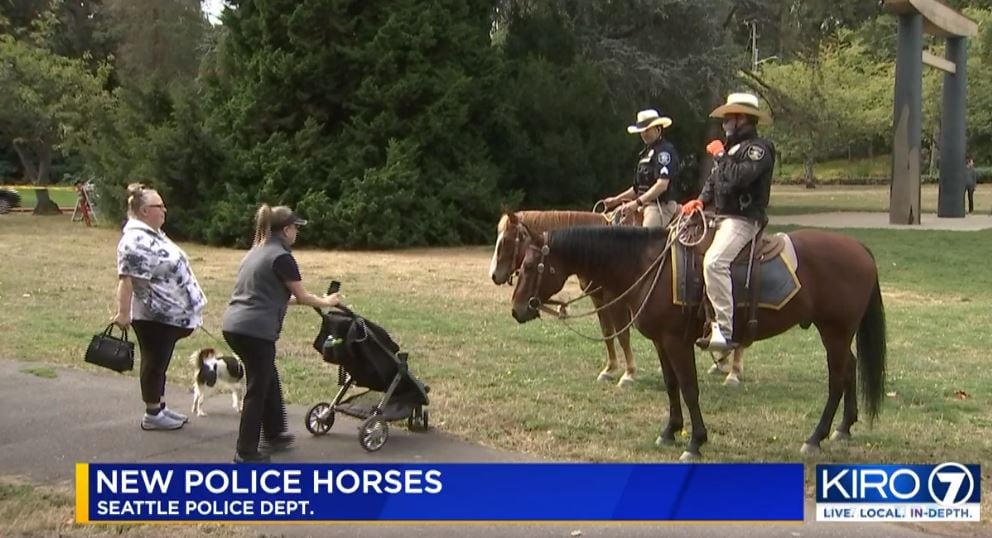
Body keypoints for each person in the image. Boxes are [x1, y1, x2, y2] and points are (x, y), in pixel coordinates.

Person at [222, 204, 342, 463]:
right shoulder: (282, 257)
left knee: (267, 377)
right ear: (286, 229)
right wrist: (327, 302)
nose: (297, 233)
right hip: (255, 330)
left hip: (234, 325)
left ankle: (275, 433)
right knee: (257, 388)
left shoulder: (255, 252)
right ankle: (245, 452)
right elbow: (300, 295)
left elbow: (275, 296)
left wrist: (315, 300)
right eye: (296, 228)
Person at [680, 93, 775, 352]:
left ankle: (724, 329)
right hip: (719, 216)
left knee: (714, 262)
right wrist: (699, 201)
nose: (724, 124)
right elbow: (714, 181)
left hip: (743, 220)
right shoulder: (731, 147)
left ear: (741, 118)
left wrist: (721, 156)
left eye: (727, 118)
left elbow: (738, 179)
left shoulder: (758, 149)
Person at [113, 182, 207, 431]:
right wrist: (123, 313)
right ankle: (153, 413)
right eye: (159, 206)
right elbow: (127, 279)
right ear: (144, 211)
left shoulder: (151, 235)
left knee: (160, 362)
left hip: (169, 314)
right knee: (154, 362)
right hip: (154, 315)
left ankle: (160, 406)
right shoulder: (135, 240)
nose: (165, 210)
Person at [603, 108, 683, 228]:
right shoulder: (645, 154)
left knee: (644, 238)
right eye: (641, 131)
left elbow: (662, 185)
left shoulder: (665, 152)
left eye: (647, 130)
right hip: (642, 205)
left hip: (659, 206)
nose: (643, 134)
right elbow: (637, 189)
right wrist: (616, 200)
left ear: (658, 129)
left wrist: (637, 203)